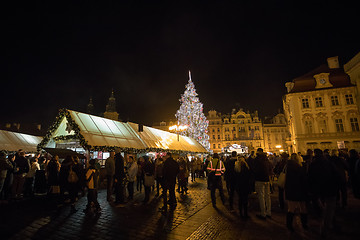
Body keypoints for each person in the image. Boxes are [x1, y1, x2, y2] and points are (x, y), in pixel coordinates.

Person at [308, 149, 341, 238]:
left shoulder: (312, 165)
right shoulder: (329, 163)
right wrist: (337, 188)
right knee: (330, 209)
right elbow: (337, 176)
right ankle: (326, 228)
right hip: (330, 190)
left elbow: (309, 179)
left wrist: (312, 191)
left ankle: (328, 226)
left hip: (318, 191)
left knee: (324, 210)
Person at [285, 153, 308, 232]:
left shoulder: (287, 167)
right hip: (300, 189)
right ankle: (304, 224)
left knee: (291, 208)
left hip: (291, 190)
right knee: (303, 208)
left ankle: (289, 225)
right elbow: (304, 180)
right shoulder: (299, 168)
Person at [252, 148, 272, 220]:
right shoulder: (266, 159)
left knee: (261, 196)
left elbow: (254, 169)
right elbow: (270, 167)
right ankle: (269, 212)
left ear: (258, 152)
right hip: (267, 179)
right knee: (268, 196)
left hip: (259, 179)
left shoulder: (257, 159)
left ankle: (263, 213)